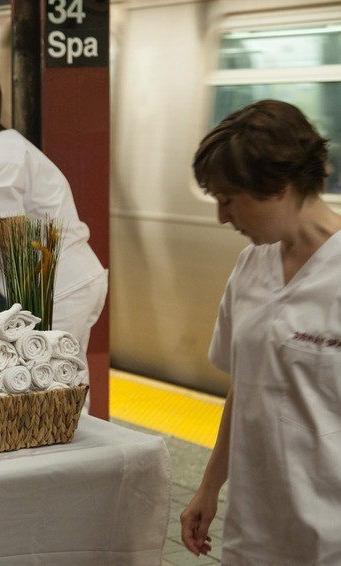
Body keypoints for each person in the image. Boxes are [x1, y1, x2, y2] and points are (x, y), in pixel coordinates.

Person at [180, 100, 341, 563]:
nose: (221, 216)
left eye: (229, 199)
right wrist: (209, 487)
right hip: (254, 529)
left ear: (278, 187)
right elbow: (247, 383)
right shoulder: (252, 266)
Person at [0, 65, 107, 352]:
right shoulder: (5, 146)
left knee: (49, 373)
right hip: (70, 281)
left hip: (59, 287)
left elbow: (11, 235)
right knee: (69, 375)